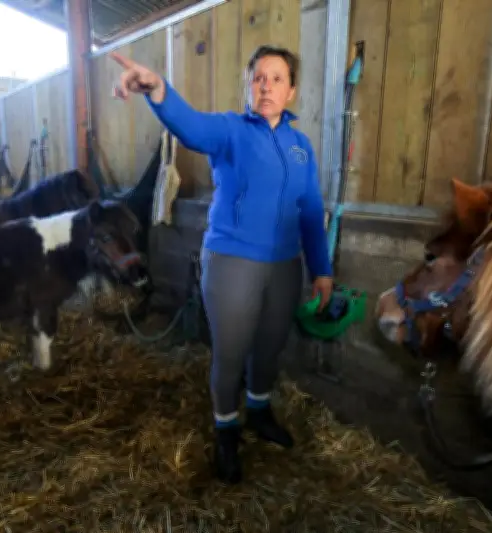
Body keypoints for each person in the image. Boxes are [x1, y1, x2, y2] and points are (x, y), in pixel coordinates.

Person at [111, 45, 334, 484]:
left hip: (286, 265)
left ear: (291, 91)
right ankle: (226, 431)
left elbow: (310, 210)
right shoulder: (232, 131)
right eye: (258, 78)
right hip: (234, 261)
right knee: (231, 353)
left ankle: (259, 410)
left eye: (276, 78)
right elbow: (191, 127)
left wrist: (321, 269)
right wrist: (157, 89)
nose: (266, 85)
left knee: (269, 347)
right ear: (249, 87)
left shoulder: (301, 147)